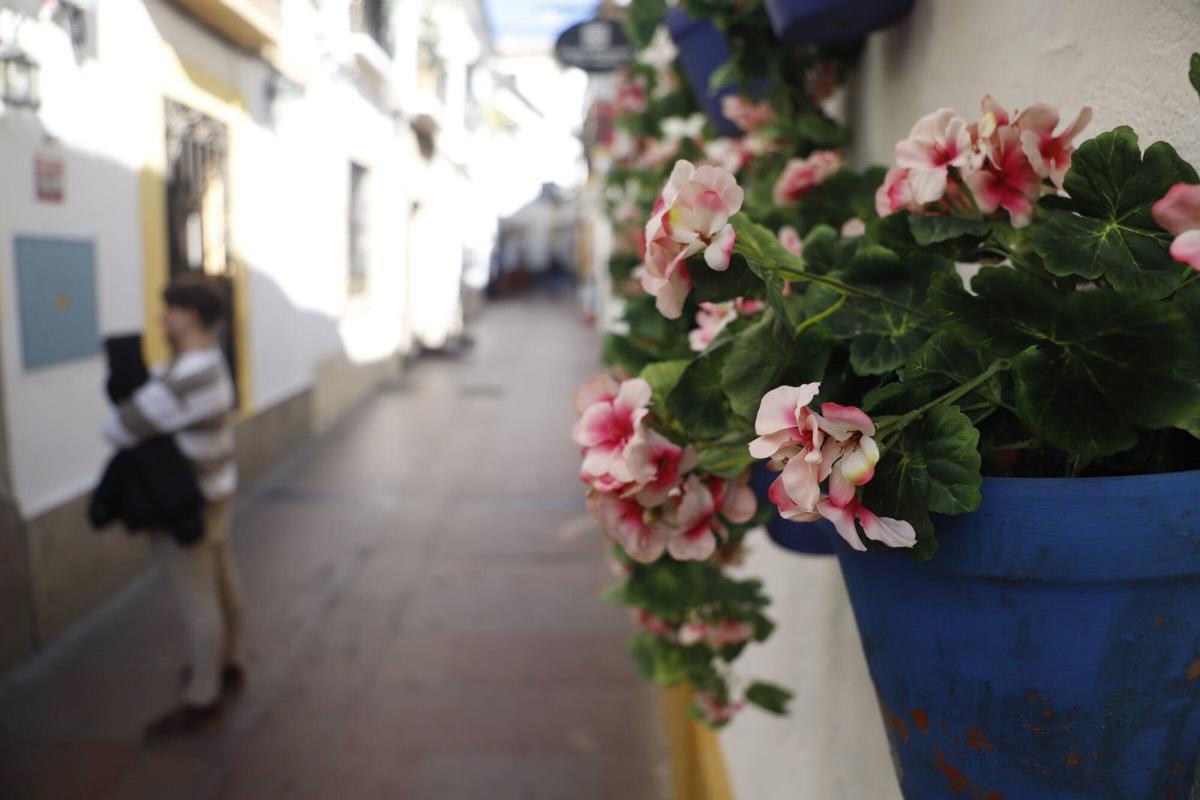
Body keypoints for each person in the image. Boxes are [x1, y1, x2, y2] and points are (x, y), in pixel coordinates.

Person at [103, 274, 245, 738]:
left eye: (168, 309)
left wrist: (141, 394)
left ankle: (204, 695)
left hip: (189, 501)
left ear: (188, 316)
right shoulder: (206, 363)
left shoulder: (189, 374)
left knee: (197, 598)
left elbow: (120, 427)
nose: (161, 317)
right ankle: (227, 663)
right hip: (217, 489)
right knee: (221, 582)